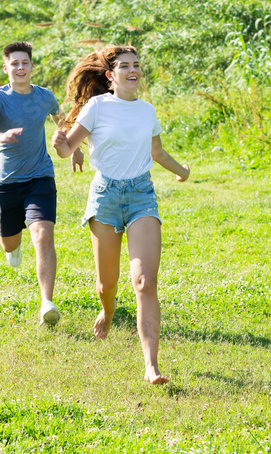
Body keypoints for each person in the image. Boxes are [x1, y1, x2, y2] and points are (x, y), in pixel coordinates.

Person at [52, 45, 190, 385]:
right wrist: (60, 145)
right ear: (111, 77)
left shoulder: (147, 110)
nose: (133, 70)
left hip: (142, 194)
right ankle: (108, 310)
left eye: (137, 65)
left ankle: (151, 365)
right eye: (125, 66)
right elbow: (68, 147)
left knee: (144, 282)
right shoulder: (97, 106)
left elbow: (156, 151)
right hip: (106, 197)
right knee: (106, 283)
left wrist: (181, 171)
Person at [0, 41, 74, 327]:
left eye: (25, 62)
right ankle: (12, 247)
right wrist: (1, 136)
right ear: (6, 68)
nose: (20, 67)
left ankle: (47, 302)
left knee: (43, 235)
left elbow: (62, 122)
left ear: (31, 66)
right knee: (10, 241)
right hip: (6, 182)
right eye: (14, 63)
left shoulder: (44, 96)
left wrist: (73, 148)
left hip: (40, 177)